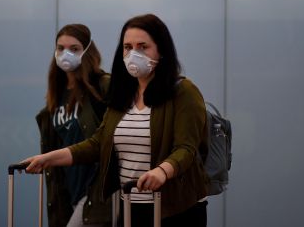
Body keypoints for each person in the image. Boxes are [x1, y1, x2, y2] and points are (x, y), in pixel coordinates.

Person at [23, 14, 209, 227]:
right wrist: (49, 158)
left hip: (176, 208)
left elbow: (186, 148)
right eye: (127, 47)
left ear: (162, 50)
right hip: (130, 204)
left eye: (143, 47)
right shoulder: (123, 94)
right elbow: (98, 143)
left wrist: (162, 171)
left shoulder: (183, 91)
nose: (133, 54)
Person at [36, 24, 112, 227]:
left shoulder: (102, 86)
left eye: (74, 48)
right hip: (70, 192)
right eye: (60, 48)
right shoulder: (56, 97)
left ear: (87, 51)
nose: (65, 54)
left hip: (96, 191)